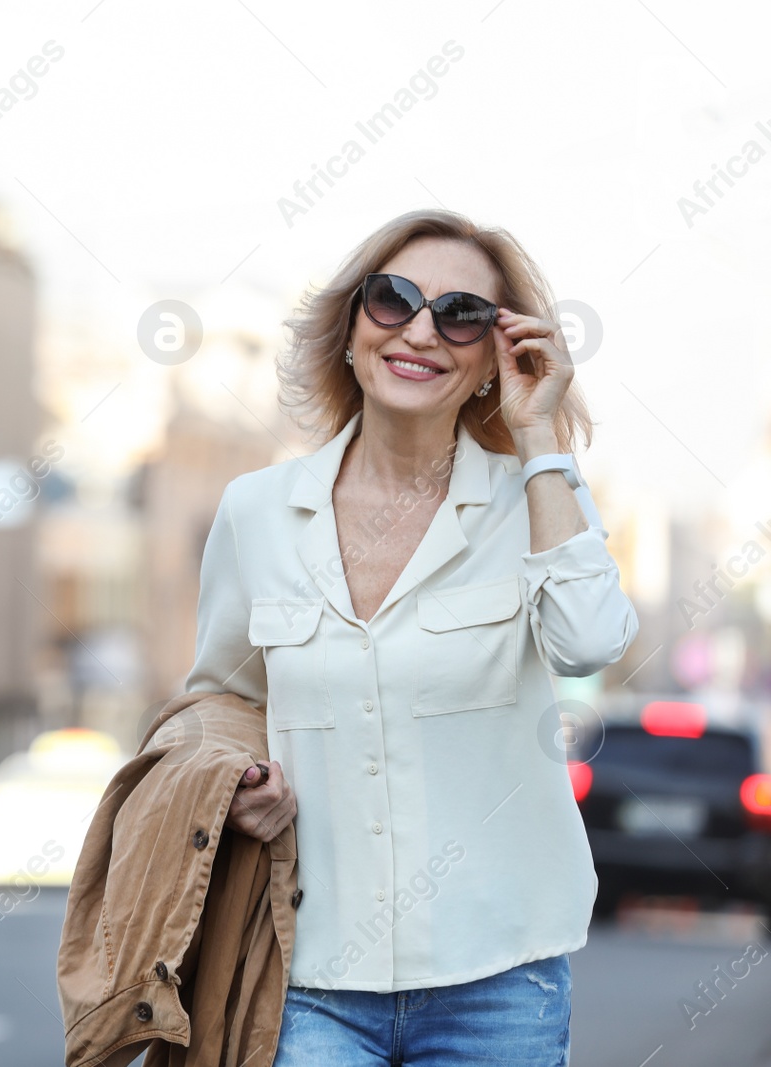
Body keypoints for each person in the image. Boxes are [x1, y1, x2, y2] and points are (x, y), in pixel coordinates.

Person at [185, 208, 639, 1065]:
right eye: (392, 300)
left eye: (461, 313)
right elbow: (220, 701)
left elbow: (588, 642)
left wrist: (540, 433)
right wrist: (236, 783)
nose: (421, 330)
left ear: (491, 359)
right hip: (310, 971)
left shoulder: (535, 498)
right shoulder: (256, 511)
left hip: (501, 976)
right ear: (352, 329)